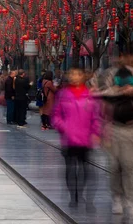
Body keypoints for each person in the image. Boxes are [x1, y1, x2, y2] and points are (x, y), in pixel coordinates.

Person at [92, 56, 133, 221]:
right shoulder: (109, 94)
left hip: (132, 131)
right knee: (114, 166)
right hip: (113, 130)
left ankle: (132, 202)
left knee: (131, 167)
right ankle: (117, 197)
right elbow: (98, 100)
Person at [52, 68, 101, 209]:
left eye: (78, 74)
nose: (74, 77)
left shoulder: (90, 95)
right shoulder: (63, 94)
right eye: (72, 74)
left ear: (83, 77)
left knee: (86, 169)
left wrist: (95, 132)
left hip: (86, 138)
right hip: (69, 138)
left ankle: (84, 195)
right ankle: (73, 196)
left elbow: (96, 117)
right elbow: (56, 115)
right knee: (71, 169)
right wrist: (64, 127)